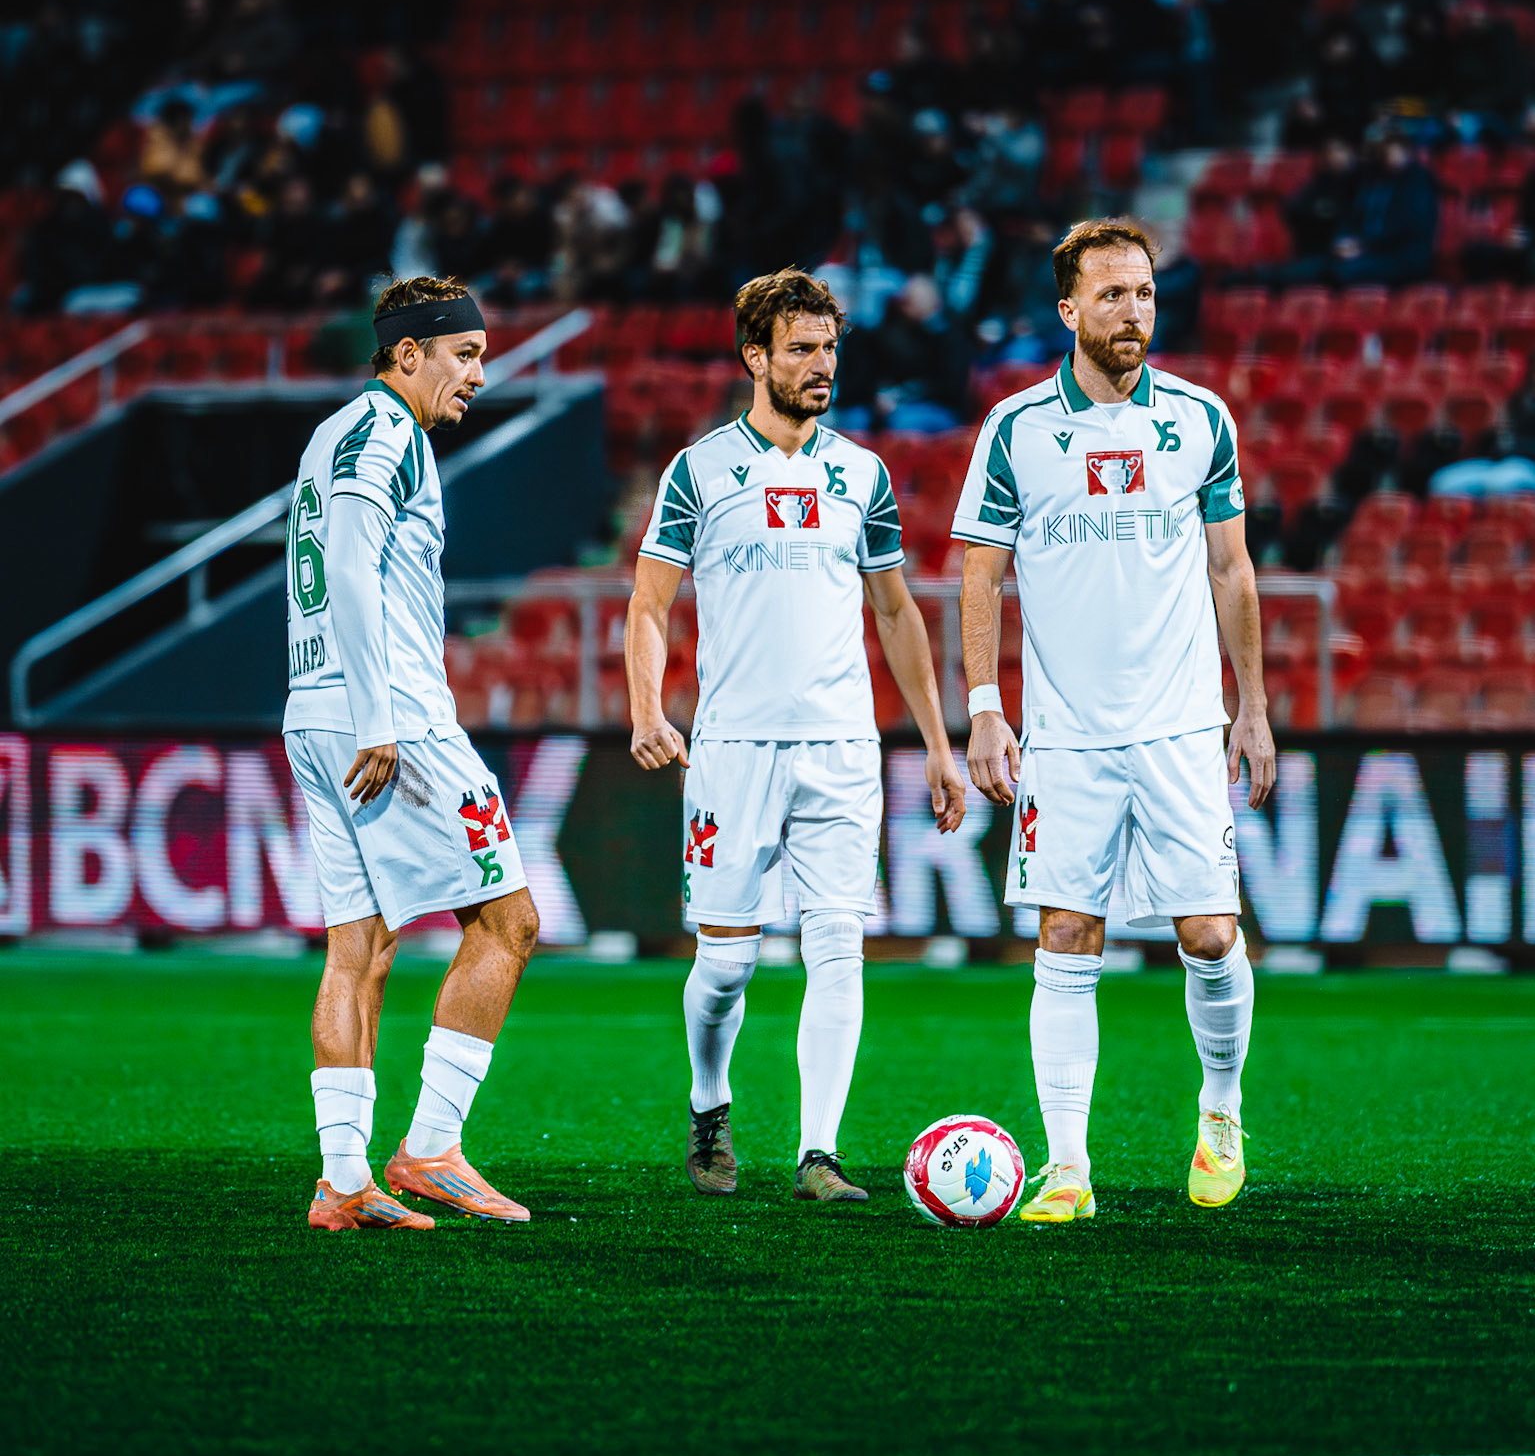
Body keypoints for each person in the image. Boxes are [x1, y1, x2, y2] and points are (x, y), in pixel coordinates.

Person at [953, 217, 1274, 1223]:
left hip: (1179, 725)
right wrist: (983, 708)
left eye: (1142, 292)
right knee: (1064, 934)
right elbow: (979, 575)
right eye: (1111, 294)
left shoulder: (1200, 418)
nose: (1132, 310)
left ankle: (1219, 1112)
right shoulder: (1015, 429)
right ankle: (1065, 1168)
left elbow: (1231, 568)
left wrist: (1252, 706)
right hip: (1064, 735)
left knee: (1210, 933)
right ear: (1068, 310)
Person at [625, 266, 967, 1203]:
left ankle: (820, 1153)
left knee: (838, 945)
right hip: (732, 750)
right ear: (754, 357)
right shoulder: (699, 471)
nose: (822, 366)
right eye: (801, 350)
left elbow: (894, 612)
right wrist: (648, 709)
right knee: (725, 964)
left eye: (829, 349)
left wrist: (938, 744)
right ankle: (709, 1105)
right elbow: (649, 604)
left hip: (841, 749)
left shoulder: (862, 473)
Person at [283, 275, 540, 1232]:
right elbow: (352, 566)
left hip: (311, 709)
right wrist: (379, 716)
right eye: (463, 355)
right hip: (389, 716)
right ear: (407, 354)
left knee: (359, 947)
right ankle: (431, 1149)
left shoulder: (330, 435)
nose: (478, 375)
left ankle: (342, 1182)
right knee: (509, 923)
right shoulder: (389, 434)